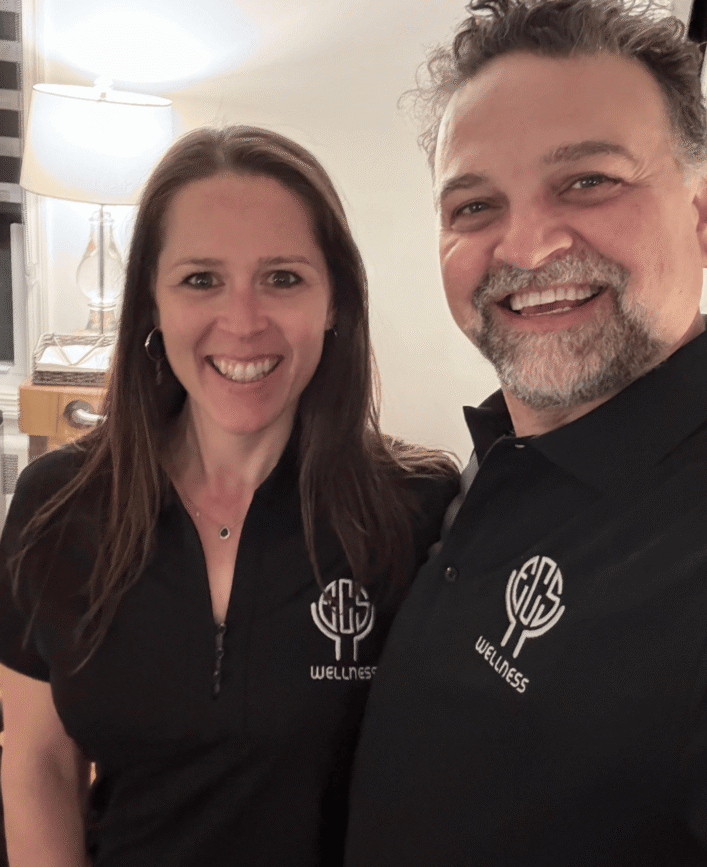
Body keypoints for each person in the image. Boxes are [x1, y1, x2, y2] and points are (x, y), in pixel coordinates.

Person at [344, 0, 707, 866]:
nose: (529, 247)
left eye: (588, 180)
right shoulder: (483, 467)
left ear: (704, 212)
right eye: (474, 205)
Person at [0, 126, 458, 867]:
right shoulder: (58, 504)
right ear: (150, 301)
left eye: (282, 278)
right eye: (201, 279)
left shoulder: (418, 511)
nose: (242, 323)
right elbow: (38, 764)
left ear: (335, 300)